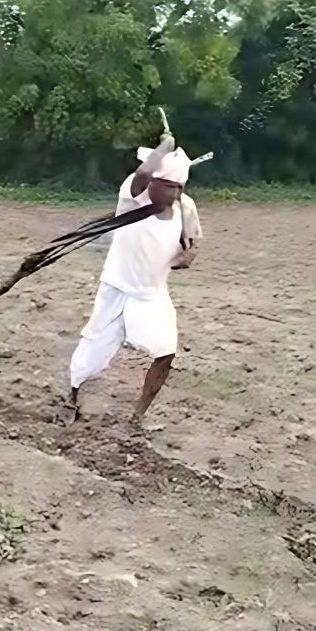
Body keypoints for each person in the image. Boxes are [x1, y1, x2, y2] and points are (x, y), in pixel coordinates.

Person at [67, 136, 200, 422]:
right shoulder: (133, 198)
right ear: (153, 182)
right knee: (91, 351)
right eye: (167, 187)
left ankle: (137, 416)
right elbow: (141, 173)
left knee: (165, 353)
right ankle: (73, 395)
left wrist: (185, 258)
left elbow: (188, 252)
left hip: (151, 294)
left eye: (178, 189)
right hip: (116, 287)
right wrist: (165, 145)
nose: (172, 195)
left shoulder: (184, 210)